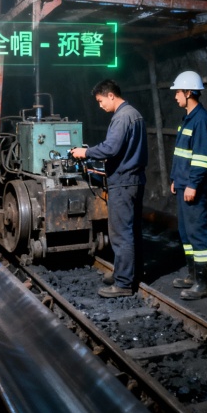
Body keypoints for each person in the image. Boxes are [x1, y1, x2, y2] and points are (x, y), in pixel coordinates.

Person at [70, 79, 148, 297]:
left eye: (100, 100)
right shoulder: (135, 114)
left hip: (123, 182)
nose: (100, 105)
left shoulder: (122, 117)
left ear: (111, 95)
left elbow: (111, 148)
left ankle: (123, 284)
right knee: (132, 231)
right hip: (134, 180)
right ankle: (132, 273)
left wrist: (84, 152)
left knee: (120, 233)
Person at [168, 70, 207, 300]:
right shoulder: (188, 118)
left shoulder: (201, 120)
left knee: (198, 233)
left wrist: (192, 185)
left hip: (195, 188)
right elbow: (182, 154)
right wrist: (176, 180)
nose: (175, 96)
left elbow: (201, 158)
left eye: (178, 92)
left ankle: (204, 284)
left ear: (189, 92)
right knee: (186, 232)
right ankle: (193, 275)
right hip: (183, 184)